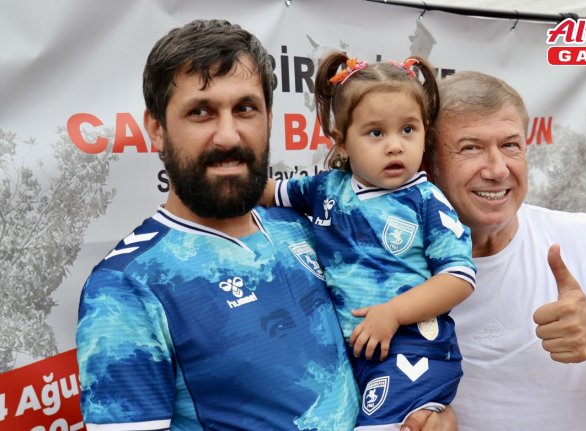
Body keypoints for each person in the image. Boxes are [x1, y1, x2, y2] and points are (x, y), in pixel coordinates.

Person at [75, 19, 449, 431]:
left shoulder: (304, 226)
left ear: (269, 118)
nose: (228, 136)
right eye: (200, 112)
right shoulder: (126, 287)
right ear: (157, 129)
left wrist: (427, 416)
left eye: (245, 109)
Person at [425, 70, 586, 430]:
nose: (498, 170)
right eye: (471, 148)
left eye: (510, 145)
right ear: (429, 163)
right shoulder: (391, 262)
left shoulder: (585, 240)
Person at [261, 52, 475, 429]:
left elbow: (459, 278)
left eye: (407, 130)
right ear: (342, 142)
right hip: (354, 357)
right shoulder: (325, 189)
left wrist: (393, 313)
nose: (395, 146)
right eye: (376, 133)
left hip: (413, 352)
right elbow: (265, 192)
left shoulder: (426, 200)